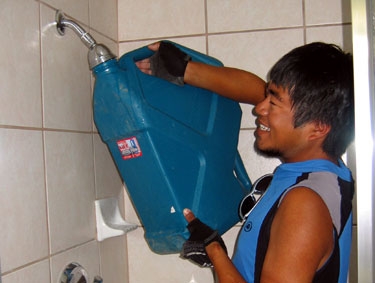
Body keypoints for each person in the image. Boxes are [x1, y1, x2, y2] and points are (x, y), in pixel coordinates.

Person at [136, 41, 355, 283]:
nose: (259, 108)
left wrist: (214, 249)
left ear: (318, 128)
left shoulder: (305, 205)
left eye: (273, 102)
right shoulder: (328, 174)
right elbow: (253, 89)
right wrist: (184, 70)